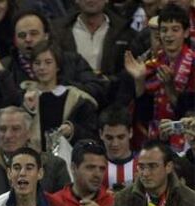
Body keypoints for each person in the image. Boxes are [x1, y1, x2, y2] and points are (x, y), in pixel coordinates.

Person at [0, 106, 70, 206]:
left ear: (28, 132)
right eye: (2, 129)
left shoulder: (55, 166)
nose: (8, 135)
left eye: (15, 129)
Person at [0, 9, 108, 106]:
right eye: (22, 35)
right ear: (15, 40)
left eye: (34, 33)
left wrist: (60, 86)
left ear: (46, 36)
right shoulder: (3, 66)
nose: (28, 39)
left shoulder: (72, 60)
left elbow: (97, 90)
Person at [125, 4, 195, 151]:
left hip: (188, 145)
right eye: (164, 30)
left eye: (175, 29)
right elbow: (144, 116)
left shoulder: (193, 64)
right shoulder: (151, 66)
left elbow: (190, 114)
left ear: (187, 32)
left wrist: (170, 88)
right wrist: (139, 80)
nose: (168, 35)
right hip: (156, 141)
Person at [20, 40, 98, 150]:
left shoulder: (77, 98)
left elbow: (91, 132)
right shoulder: (24, 95)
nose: (42, 67)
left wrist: (72, 130)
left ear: (58, 66)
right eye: (37, 63)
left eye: (48, 62)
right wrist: (27, 110)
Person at [52, 0, 137, 99]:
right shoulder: (57, 32)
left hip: (113, 101)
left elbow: (129, 71)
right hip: (70, 101)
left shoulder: (125, 33)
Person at [99, 105, 138, 191]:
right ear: (101, 134)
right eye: (109, 138)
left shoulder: (143, 166)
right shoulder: (93, 168)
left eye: (120, 137)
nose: (115, 144)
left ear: (130, 132)